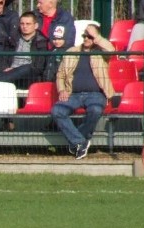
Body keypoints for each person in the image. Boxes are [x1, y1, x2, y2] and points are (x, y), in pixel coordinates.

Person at [51, 23, 114, 160]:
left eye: (89, 36)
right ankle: (80, 142)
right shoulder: (71, 52)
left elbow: (111, 50)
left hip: (96, 94)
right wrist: (61, 90)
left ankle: (77, 140)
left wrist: (96, 37)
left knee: (96, 110)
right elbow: (60, 75)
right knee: (57, 111)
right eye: (84, 36)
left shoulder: (101, 52)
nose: (86, 38)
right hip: (73, 94)